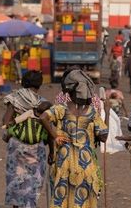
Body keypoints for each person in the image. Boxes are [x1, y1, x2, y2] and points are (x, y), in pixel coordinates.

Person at [41, 69, 109, 208]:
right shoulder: (91, 113)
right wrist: (106, 113)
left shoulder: (60, 108)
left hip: (64, 162)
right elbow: (103, 137)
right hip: (86, 163)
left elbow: (43, 118)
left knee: (62, 199)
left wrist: (56, 136)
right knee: (84, 201)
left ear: (69, 91)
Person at [2, 71, 48, 208]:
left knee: (16, 177)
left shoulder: (15, 98)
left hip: (17, 145)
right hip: (37, 148)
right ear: (39, 84)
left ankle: (16, 206)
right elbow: (48, 127)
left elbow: (6, 121)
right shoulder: (43, 103)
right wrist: (51, 151)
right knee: (34, 179)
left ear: (24, 82)